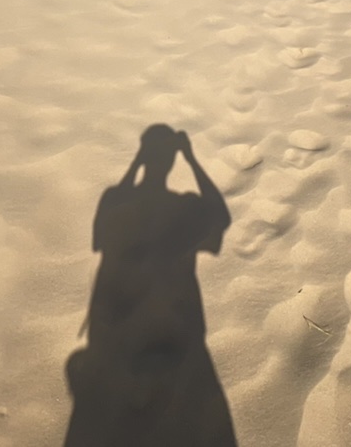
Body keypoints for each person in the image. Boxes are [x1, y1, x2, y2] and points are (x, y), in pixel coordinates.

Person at [63, 124, 237, 447]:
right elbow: (220, 216)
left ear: (144, 156)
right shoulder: (183, 209)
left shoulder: (115, 201)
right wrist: (192, 159)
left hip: (116, 333)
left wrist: (136, 164)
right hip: (177, 333)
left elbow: (99, 237)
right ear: (173, 161)